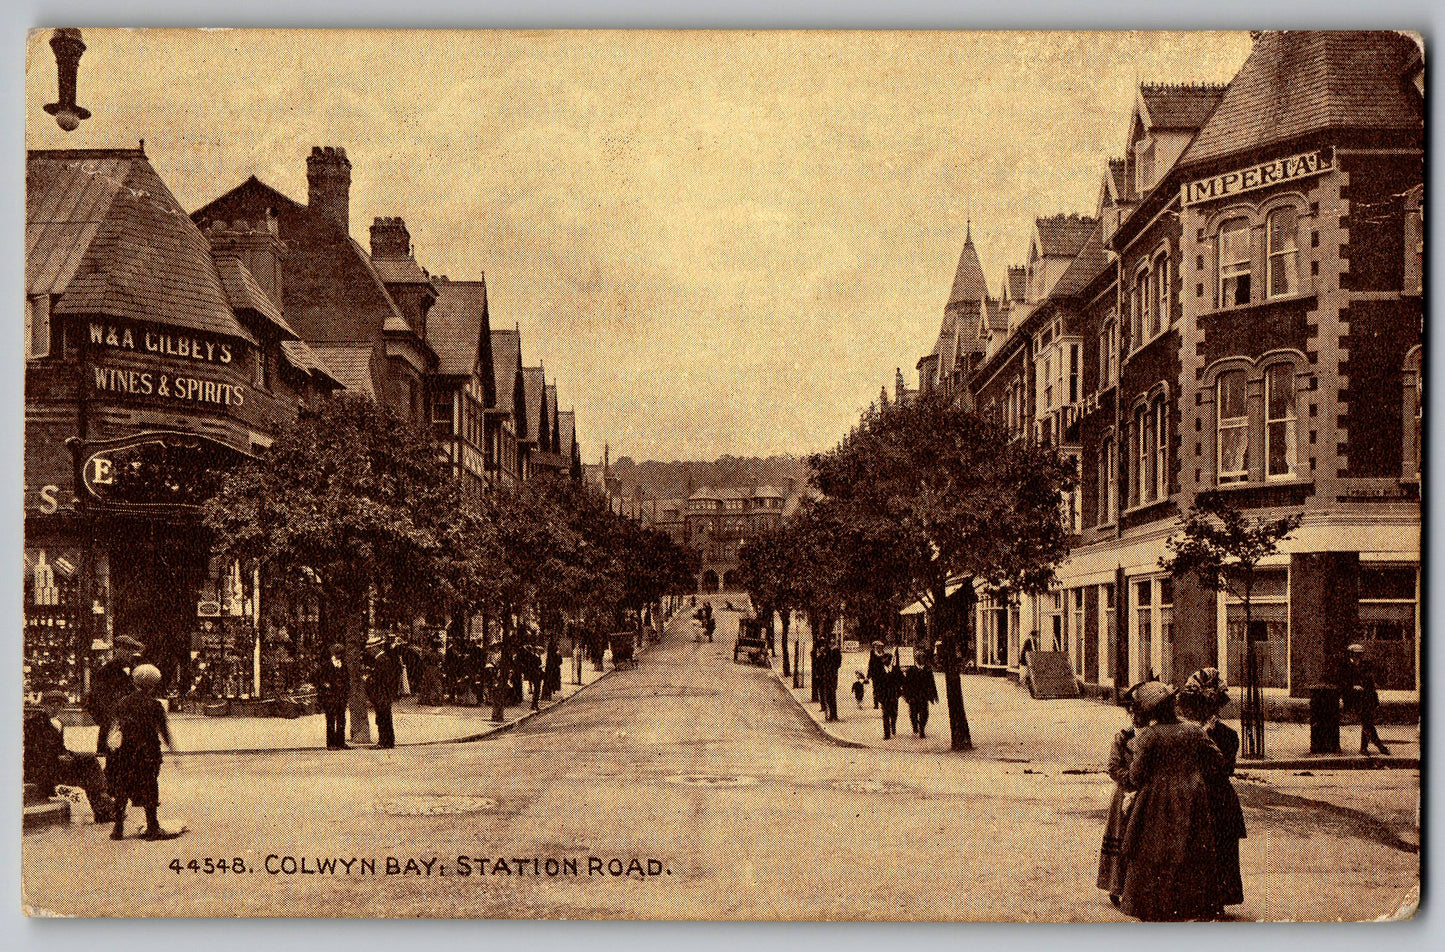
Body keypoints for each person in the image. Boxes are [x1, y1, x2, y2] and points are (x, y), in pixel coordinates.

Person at [1118, 681, 1226, 921]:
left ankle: (1155, 907)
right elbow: (1218, 760)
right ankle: (1193, 906)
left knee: (1154, 851)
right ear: (1173, 705)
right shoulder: (1194, 731)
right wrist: (1194, 775)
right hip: (1192, 798)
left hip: (1156, 801)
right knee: (1192, 851)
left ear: (1152, 712)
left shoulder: (1149, 737)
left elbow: (1136, 776)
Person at [1179, 667, 1246, 914]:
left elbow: (1223, 768)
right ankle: (1204, 898)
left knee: (1215, 847)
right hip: (1214, 796)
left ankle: (1213, 899)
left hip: (1213, 797)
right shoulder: (1222, 734)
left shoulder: (1222, 735)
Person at [105, 664, 182, 841]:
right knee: (149, 786)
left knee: (122, 787)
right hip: (148, 752)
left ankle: (118, 829)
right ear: (154, 684)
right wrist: (174, 751)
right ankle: (152, 826)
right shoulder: (155, 705)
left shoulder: (123, 702)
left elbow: (114, 727)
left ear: (134, 681)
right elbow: (164, 732)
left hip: (126, 752)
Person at [24, 691, 115, 824]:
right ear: (44, 705)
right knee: (89, 765)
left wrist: (71, 755)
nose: (56, 708)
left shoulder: (54, 724)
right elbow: (34, 752)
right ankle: (104, 810)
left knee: (89, 763)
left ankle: (104, 808)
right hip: (40, 770)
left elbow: (60, 749)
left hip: (51, 766)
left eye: (59, 705)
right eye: (52, 705)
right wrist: (62, 757)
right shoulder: (34, 723)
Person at [1097, 682, 1146, 907]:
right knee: (1121, 836)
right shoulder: (1123, 737)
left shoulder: (1152, 737)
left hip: (1146, 794)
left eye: (1139, 712)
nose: (1136, 717)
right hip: (1124, 794)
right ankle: (1116, 885)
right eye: (1132, 712)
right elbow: (1113, 767)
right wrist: (1130, 782)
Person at [86, 635, 145, 759]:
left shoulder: (126, 669)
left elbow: (131, 691)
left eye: (132, 652)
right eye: (128, 651)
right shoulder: (108, 670)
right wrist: (111, 712)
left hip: (118, 713)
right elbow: (97, 696)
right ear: (119, 651)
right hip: (108, 712)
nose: (130, 656)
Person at [1348, 644, 1390, 755]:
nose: (1359, 656)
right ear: (1351, 654)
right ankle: (1378, 746)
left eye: (1360, 654)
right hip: (1356, 699)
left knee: (1367, 722)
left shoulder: (1366, 665)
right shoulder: (1347, 667)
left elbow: (1377, 676)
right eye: (1356, 654)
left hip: (1368, 698)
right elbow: (1343, 682)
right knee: (1367, 723)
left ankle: (1365, 748)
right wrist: (1352, 686)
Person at [363, 635, 401, 749]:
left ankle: (384, 741)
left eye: (369, 649)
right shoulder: (384, 659)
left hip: (381, 693)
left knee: (382, 717)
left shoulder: (381, 660)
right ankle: (388, 741)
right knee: (385, 717)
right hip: (385, 693)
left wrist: (369, 679)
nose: (369, 652)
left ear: (375, 648)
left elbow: (380, 679)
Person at [314, 643, 350, 750]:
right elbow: (319, 679)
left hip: (341, 695)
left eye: (340, 654)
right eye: (337, 653)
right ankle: (331, 743)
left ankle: (340, 742)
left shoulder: (344, 665)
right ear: (333, 654)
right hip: (330, 696)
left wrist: (345, 690)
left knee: (341, 719)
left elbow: (347, 680)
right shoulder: (326, 665)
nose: (339, 656)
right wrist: (325, 685)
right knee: (330, 719)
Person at [902, 658, 938, 738]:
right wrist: (907, 696)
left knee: (924, 713)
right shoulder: (911, 670)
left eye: (922, 657)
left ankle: (922, 729)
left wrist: (934, 695)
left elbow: (932, 683)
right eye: (919, 657)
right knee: (913, 713)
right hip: (913, 696)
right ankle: (915, 725)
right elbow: (906, 684)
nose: (921, 659)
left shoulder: (928, 669)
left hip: (924, 696)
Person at [876, 654, 904, 740]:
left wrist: (900, 691)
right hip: (884, 696)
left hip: (894, 695)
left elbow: (902, 680)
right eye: (884, 659)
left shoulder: (895, 669)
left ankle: (893, 725)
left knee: (894, 713)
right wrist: (878, 695)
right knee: (885, 714)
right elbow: (877, 684)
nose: (885, 661)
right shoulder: (879, 670)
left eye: (887, 659)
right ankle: (887, 733)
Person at [818, 639, 842, 721]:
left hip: (832, 676)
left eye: (831, 642)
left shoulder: (835, 651)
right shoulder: (827, 652)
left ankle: (833, 715)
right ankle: (831, 715)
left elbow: (838, 664)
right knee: (828, 696)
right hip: (826, 676)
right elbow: (821, 663)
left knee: (831, 695)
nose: (830, 644)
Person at [866, 641, 889, 710]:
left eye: (881, 647)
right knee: (875, 689)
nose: (880, 648)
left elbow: (888, 664)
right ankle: (876, 703)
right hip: (875, 674)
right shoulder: (873, 654)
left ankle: (882, 701)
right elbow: (870, 665)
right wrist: (868, 676)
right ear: (875, 647)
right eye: (878, 647)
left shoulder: (884, 654)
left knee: (883, 688)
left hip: (883, 674)